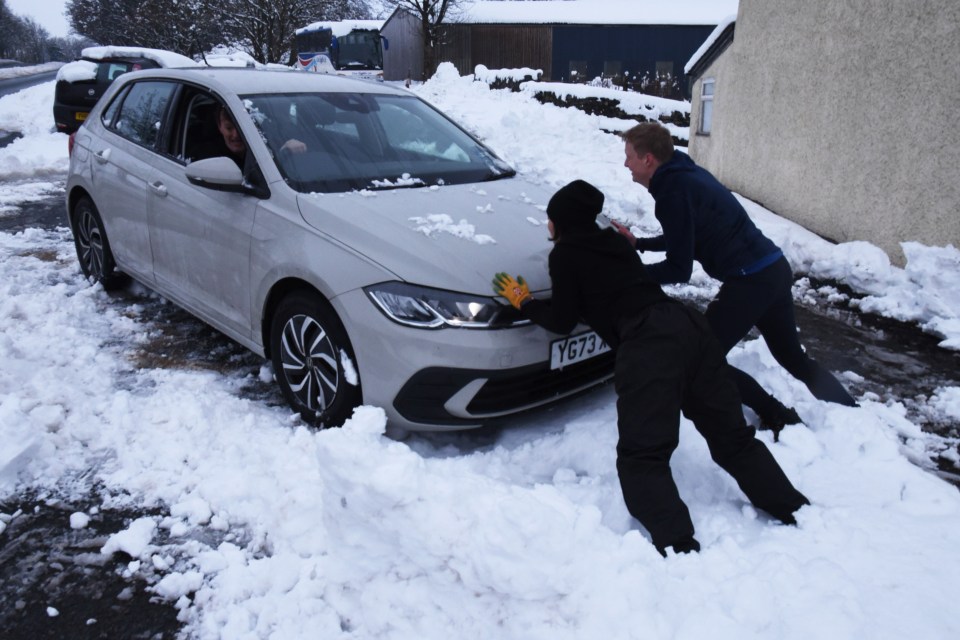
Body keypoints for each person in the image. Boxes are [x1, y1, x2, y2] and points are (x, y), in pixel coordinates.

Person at [493, 180, 809, 557]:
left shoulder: (565, 255)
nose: (547, 226)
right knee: (733, 438)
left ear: (562, 221)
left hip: (647, 344)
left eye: (550, 219)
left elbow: (562, 321)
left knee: (643, 453)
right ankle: (793, 510)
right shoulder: (613, 242)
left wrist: (523, 301)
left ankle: (678, 546)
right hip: (687, 327)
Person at [613, 123, 857, 435]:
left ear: (648, 160)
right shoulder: (683, 175)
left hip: (751, 281)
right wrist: (640, 244)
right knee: (792, 357)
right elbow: (686, 233)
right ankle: (850, 413)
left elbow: (679, 268)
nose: (625, 164)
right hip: (772, 268)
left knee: (700, 356)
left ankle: (777, 415)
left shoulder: (672, 192)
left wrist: (632, 277)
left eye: (629, 156)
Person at [191, 106, 306, 170]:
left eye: (242, 128)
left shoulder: (267, 145)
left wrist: (285, 151)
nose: (236, 135)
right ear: (219, 126)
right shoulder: (207, 156)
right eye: (229, 128)